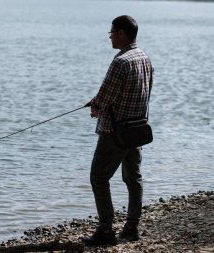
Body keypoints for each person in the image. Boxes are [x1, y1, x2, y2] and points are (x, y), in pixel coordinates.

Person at [81, 15, 154, 246]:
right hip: (137, 129)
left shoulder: (120, 62)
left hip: (115, 131)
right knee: (133, 178)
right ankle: (132, 227)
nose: (110, 36)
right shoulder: (144, 57)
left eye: (112, 32)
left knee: (99, 178)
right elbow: (132, 92)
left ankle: (106, 231)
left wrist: (96, 105)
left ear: (122, 33)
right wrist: (99, 102)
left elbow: (105, 96)